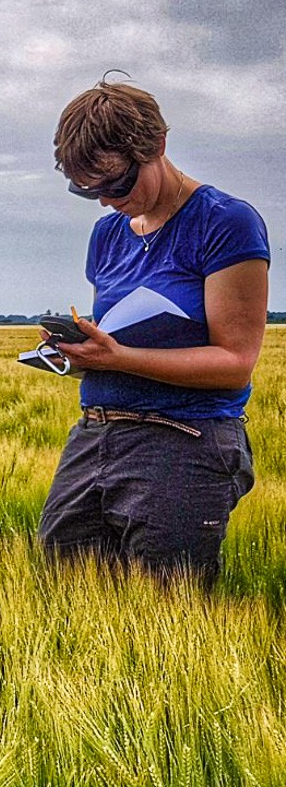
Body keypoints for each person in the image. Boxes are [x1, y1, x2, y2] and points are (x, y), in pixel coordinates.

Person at [42, 74, 269, 587]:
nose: (105, 201)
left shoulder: (225, 223)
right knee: (64, 593)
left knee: (169, 615)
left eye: (117, 184)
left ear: (158, 145)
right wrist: (84, 353)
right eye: (87, 190)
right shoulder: (107, 235)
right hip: (95, 434)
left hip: (184, 442)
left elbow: (235, 363)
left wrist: (118, 357)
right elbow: (125, 334)